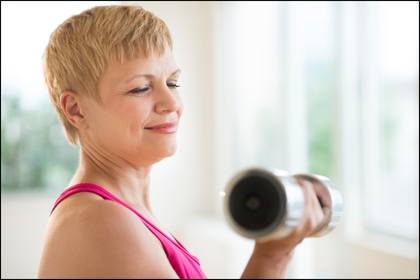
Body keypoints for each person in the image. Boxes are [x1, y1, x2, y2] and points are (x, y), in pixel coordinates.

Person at [38, 5, 326, 279]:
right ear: (77, 110)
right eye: (140, 88)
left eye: (173, 83)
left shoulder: (124, 211)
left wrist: (274, 250)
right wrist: (273, 255)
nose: (171, 102)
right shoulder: (99, 220)